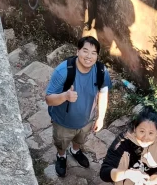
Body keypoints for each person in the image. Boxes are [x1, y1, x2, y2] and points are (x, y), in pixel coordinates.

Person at [45, 36, 112, 177]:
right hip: (63, 122)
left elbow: (103, 93)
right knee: (61, 142)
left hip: (87, 120)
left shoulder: (101, 71)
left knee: (80, 139)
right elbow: (49, 99)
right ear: (77, 51)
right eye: (85, 51)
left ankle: (75, 151)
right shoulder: (63, 71)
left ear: (97, 56)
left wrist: (100, 118)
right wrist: (65, 96)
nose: (89, 56)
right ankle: (61, 156)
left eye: (93, 53)